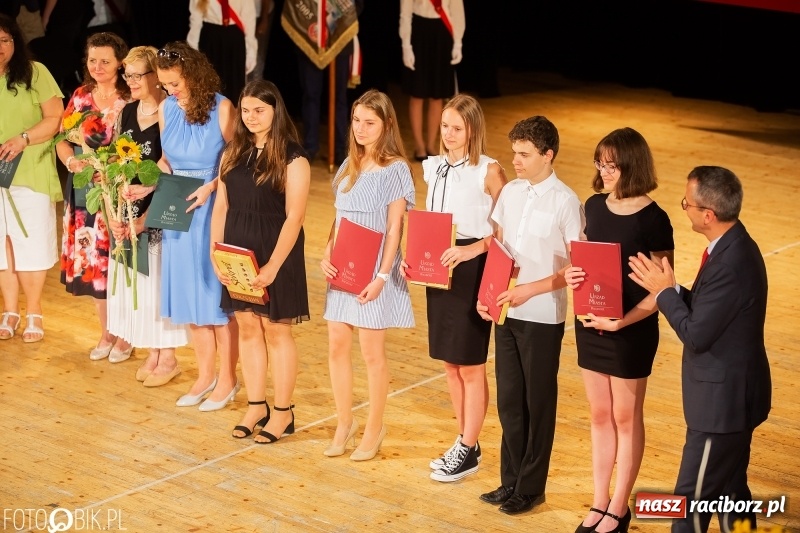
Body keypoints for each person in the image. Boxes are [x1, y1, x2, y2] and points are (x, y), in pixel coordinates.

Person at [629, 166, 771, 533]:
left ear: (708, 215)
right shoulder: (734, 245)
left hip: (720, 410)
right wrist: (674, 289)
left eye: (687, 204)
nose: (684, 208)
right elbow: (713, 311)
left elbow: (696, 334)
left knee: (689, 507)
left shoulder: (730, 263)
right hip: (735, 400)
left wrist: (663, 293)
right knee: (731, 493)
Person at [566, 128, 674, 533]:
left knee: (626, 417)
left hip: (631, 330)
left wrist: (622, 321)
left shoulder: (654, 219)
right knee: (599, 414)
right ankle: (599, 500)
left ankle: (619, 506)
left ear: (632, 165)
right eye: (600, 163)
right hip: (591, 324)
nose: (604, 171)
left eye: (611, 164)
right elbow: (586, 259)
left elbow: (662, 289)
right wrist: (573, 274)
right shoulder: (593, 206)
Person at [476, 116, 584, 514]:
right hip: (506, 310)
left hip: (541, 316)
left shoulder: (566, 202)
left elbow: (574, 269)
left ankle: (532, 487)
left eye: (524, 154)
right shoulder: (510, 193)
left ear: (548, 154)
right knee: (509, 401)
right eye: (514, 152)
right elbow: (500, 249)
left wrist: (528, 290)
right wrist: (488, 295)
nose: (515, 161)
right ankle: (510, 481)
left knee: (537, 403)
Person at [407, 94, 506, 482]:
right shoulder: (432, 167)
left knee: (471, 363)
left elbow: (507, 226)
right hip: (440, 266)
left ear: (473, 129)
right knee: (450, 362)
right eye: (445, 126)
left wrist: (472, 251)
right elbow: (432, 221)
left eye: (457, 128)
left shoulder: (489, 170)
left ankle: (467, 446)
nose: (448, 134)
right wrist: (414, 257)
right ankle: (466, 441)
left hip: (472, 267)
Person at [210, 80, 310, 442]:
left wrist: (272, 267)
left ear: (275, 110)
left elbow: (295, 217)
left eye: (259, 110)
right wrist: (216, 252)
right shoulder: (232, 151)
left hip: (275, 252)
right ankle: (256, 406)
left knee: (276, 331)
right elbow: (221, 206)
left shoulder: (294, 157)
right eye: (246, 110)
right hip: (237, 251)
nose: (251, 117)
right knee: (248, 327)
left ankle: (283, 412)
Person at [320, 89, 415, 461]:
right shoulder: (349, 164)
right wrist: (327, 251)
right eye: (356, 120)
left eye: (369, 122)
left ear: (386, 124)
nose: (360, 128)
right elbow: (339, 217)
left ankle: (375, 428)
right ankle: (345, 422)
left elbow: (394, 229)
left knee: (372, 352)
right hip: (343, 267)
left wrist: (382, 276)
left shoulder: (396, 169)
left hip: (375, 268)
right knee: (336, 345)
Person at [155, 41, 239, 411]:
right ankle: (205, 375)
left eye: (174, 83)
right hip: (178, 208)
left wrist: (211, 186)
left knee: (214, 298)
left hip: (212, 207)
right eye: (164, 85)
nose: (170, 91)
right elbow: (166, 160)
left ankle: (228, 379)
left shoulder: (223, 107)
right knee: (190, 297)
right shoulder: (166, 108)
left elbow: (237, 160)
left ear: (193, 74)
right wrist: (149, 180)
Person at [105, 45, 189, 386]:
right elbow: (116, 161)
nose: (131, 81)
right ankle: (153, 351)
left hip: (158, 206)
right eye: (127, 75)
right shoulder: (126, 111)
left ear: (156, 76)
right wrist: (116, 209)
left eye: (137, 75)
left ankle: (168, 356)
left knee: (159, 284)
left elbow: (174, 166)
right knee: (141, 284)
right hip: (130, 207)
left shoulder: (172, 111)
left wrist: (145, 214)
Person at [56, 31, 129, 359]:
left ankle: (127, 333)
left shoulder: (130, 97)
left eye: (105, 61)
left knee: (121, 263)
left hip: (120, 191)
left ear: (120, 63)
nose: (97, 67)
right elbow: (61, 139)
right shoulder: (81, 96)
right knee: (96, 264)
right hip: (86, 190)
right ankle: (107, 332)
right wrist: (71, 161)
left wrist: (114, 167)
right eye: (92, 60)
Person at [0, 14, 64, 342]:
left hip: (30, 170)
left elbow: (55, 119)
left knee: (31, 243)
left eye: (4, 40)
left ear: (15, 42)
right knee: (1, 246)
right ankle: (10, 311)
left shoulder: (35, 72)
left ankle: (34, 310)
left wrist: (23, 139)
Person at [294, 0, 363, 164]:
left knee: (339, 98)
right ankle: (310, 147)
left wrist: (334, 17)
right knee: (311, 94)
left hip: (340, 37)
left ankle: (340, 149)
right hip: (310, 36)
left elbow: (358, 4)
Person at [399, 0, 464, 161]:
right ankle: (419, 145)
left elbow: (457, 11)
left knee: (437, 95)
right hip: (418, 34)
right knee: (417, 94)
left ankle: (431, 145)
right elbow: (405, 14)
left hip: (442, 33)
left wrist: (458, 42)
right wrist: (406, 46)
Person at [187, 0, 257, 103]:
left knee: (234, 83)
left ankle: (233, 110)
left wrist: (251, 51)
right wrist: (193, 50)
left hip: (234, 39)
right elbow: (195, 20)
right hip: (210, 39)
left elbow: (249, 19)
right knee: (209, 81)